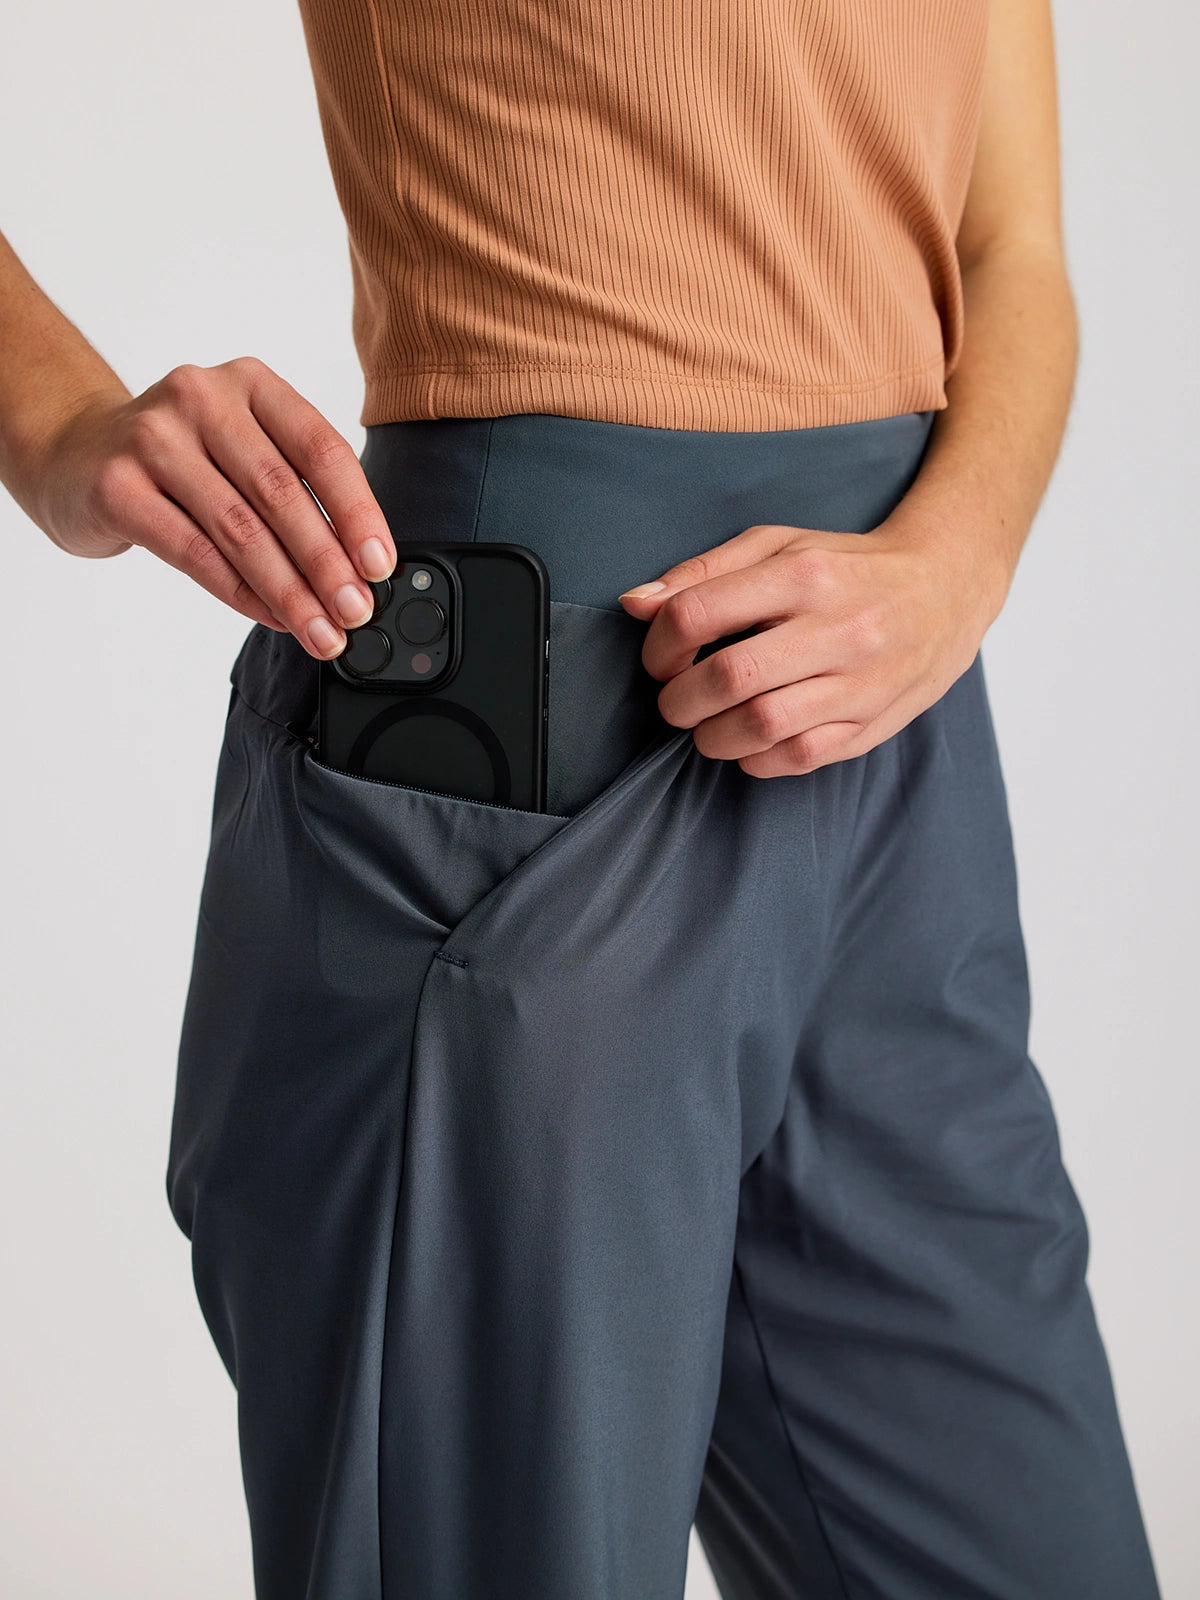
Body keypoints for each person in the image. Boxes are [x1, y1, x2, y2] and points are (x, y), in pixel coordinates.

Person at [0, 0, 1164, 1596]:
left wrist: (957, 564)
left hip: (896, 739)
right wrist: (54, 423)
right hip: (528, 752)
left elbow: (1011, 241)